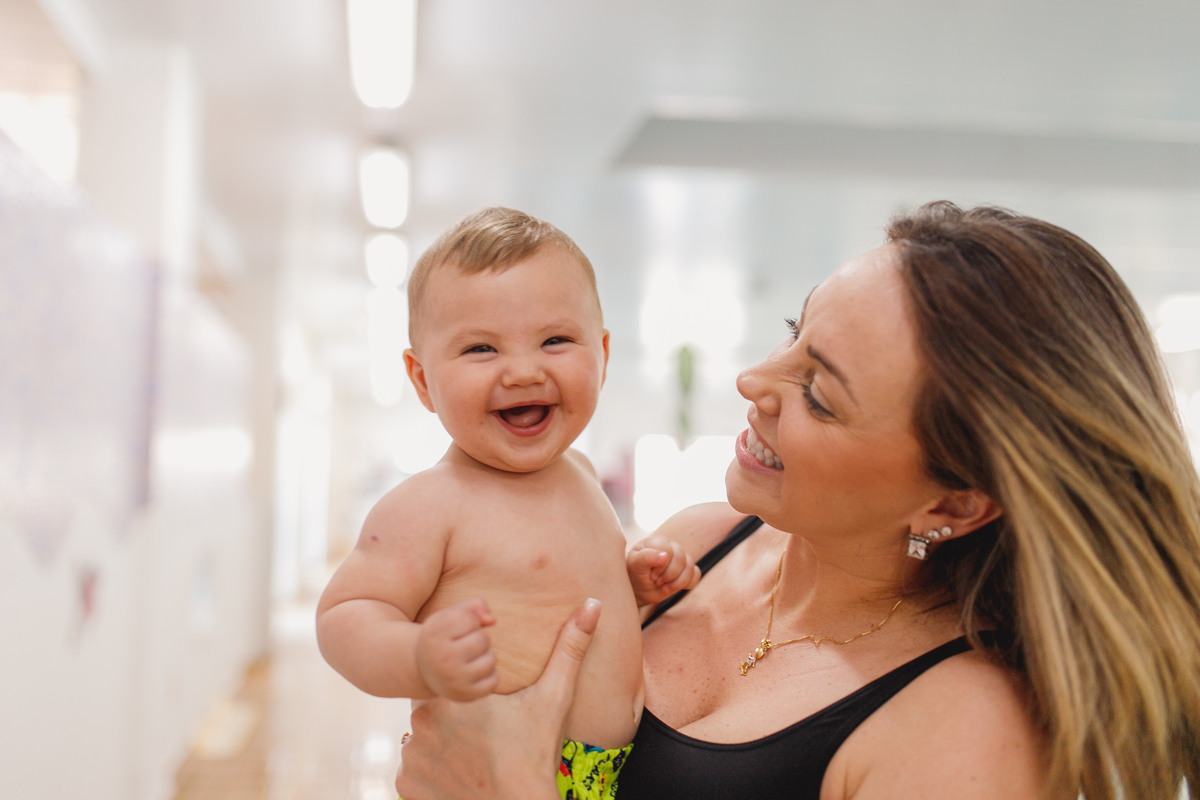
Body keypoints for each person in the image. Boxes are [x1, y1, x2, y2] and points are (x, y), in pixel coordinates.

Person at [393, 202, 1200, 800]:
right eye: (795, 330)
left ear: (953, 506)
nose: (754, 382)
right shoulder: (698, 547)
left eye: (818, 393)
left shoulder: (970, 735)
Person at [315, 207, 701, 799]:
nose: (523, 371)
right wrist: (417, 655)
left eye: (555, 340)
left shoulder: (580, 473)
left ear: (601, 354)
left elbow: (564, 587)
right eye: (480, 349)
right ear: (422, 381)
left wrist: (629, 581)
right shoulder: (429, 505)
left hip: (611, 773)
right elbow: (343, 618)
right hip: (490, 771)